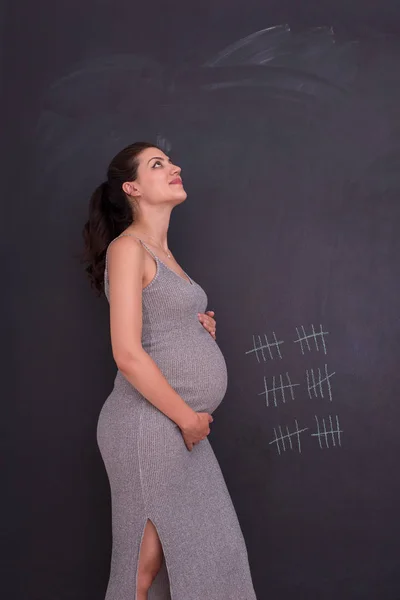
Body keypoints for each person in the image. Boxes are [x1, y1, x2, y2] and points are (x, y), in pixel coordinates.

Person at [82, 142, 257, 600]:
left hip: (178, 426)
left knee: (211, 554)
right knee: (143, 569)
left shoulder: (164, 254)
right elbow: (127, 353)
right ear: (133, 187)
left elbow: (160, 327)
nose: (174, 167)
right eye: (158, 164)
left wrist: (199, 333)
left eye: (172, 161)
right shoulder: (127, 249)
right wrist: (187, 418)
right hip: (149, 425)